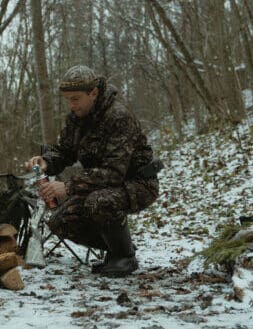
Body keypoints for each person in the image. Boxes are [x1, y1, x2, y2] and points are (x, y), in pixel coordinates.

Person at [25, 65, 159, 277]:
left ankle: (125, 257)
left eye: (76, 99)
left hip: (138, 183)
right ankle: (119, 247)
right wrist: (46, 162)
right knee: (60, 221)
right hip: (100, 183)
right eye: (67, 99)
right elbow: (64, 151)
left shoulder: (118, 117)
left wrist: (68, 187)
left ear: (94, 93)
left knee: (98, 202)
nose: (71, 105)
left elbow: (114, 173)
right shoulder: (76, 119)